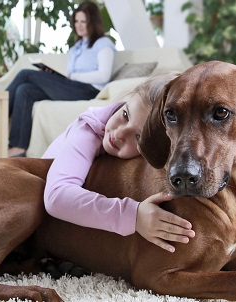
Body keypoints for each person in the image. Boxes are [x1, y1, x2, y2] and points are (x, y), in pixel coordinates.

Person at [43, 72, 196, 253]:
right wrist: (133, 216)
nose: (119, 134)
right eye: (125, 115)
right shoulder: (87, 131)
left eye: (139, 137)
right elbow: (57, 197)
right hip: (43, 210)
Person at [0, 0, 115, 158]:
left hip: (89, 90)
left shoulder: (104, 44)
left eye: (84, 21)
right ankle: (19, 147)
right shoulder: (76, 48)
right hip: (73, 86)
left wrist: (71, 77)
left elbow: (104, 76)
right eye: (76, 21)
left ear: (93, 22)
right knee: (25, 90)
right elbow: (71, 75)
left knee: (25, 74)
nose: (79, 25)